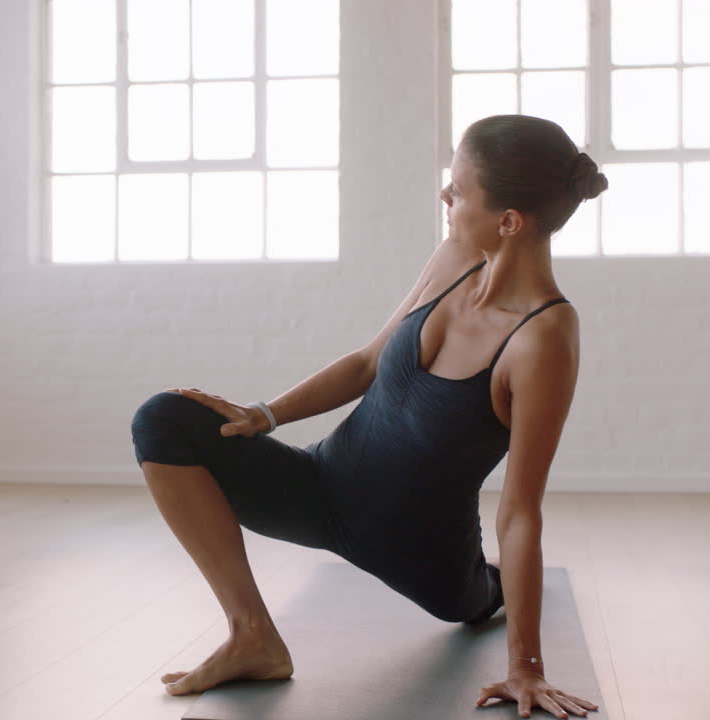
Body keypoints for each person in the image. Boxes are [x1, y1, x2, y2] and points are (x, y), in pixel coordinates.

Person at [130, 114, 606, 720]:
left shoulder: (544, 336)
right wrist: (263, 415)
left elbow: (520, 510)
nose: (445, 195)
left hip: (422, 553)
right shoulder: (457, 256)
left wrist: (525, 667)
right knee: (164, 419)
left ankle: (490, 584)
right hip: (323, 486)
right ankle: (252, 637)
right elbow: (366, 363)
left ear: (510, 221)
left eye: (459, 190)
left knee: (481, 594)